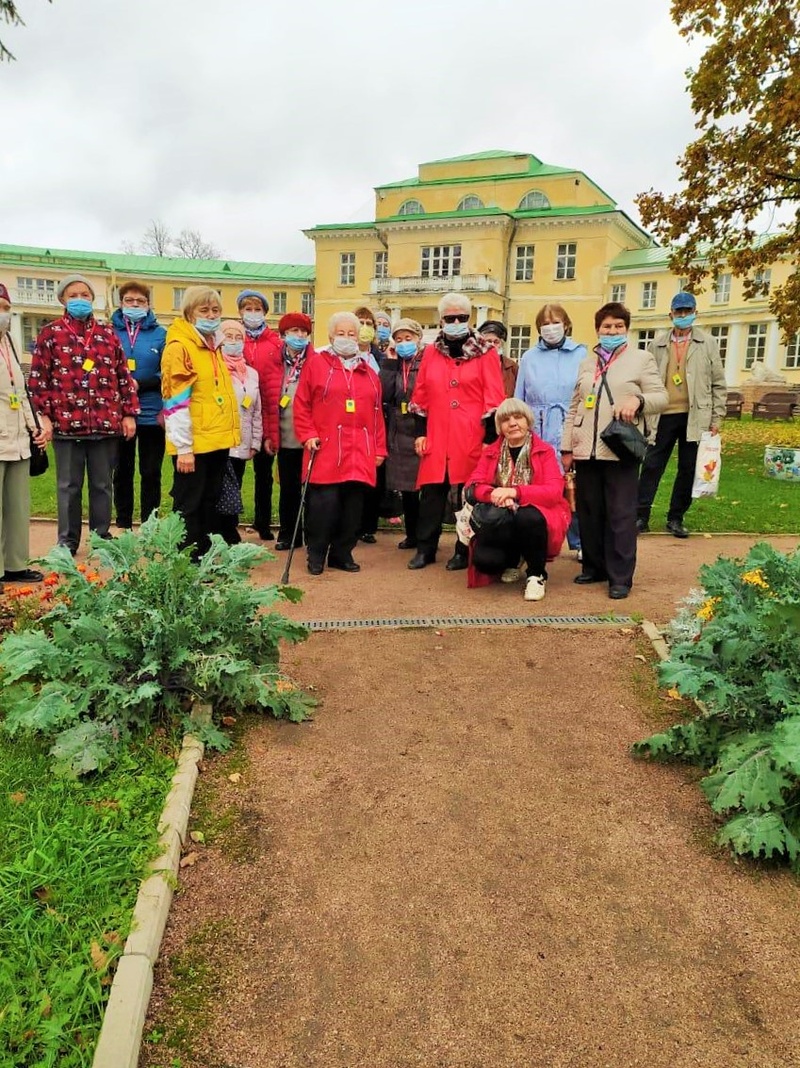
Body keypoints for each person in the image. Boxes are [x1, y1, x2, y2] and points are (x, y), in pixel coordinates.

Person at [561, 302, 668, 599]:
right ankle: (594, 567)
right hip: (586, 449)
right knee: (590, 511)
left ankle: (620, 576)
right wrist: (567, 446)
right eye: (607, 326)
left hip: (619, 447)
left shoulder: (641, 359)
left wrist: (638, 401)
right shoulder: (586, 362)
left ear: (626, 329)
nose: (612, 331)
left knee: (620, 515)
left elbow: (661, 396)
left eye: (618, 326)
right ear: (598, 330)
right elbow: (574, 406)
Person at [29, 274, 139, 554]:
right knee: (69, 486)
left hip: (104, 423)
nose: (80, 300)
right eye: (74, 295)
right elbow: (39, 378)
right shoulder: (50, 334)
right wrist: (45, 417)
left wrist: (128, 414)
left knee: (102, 485)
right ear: (63, 299)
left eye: (85, 295)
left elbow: (122, 375)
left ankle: (101, 536)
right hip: (66, 425)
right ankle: (67, 540)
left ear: (93, 299)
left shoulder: (107, 334)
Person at [407, 292, 506, 571]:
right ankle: (425, 548)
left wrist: (489, 439)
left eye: (461, 318)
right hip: (437, 432)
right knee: (431, 493)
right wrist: (420, 432)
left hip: (471, 433)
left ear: (470, 318)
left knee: (468, 495)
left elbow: (494, 396)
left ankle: (464, 550)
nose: (456, 322)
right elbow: (421, 395)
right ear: (441, 320)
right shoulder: (430, 352)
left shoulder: (486, 352)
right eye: (450, 318)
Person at [292, 311, 387, 575]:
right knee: (324, 506)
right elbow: (301, 405)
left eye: (352, 334)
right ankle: (317, 552)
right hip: (326, 448)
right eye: (341, 333)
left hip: (360, 451)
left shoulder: (369, 372)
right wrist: (307, 433)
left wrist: (379, 448)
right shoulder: (316, 364)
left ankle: (342, 553)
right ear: (331, 335)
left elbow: (378, 414)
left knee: (353, 510)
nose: (347, 338)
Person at [637, 292, 727, 537]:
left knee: (688, 468)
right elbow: (645, 381)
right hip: (662, 414)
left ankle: (676, 517)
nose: (683, 315)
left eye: (688, 311)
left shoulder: (707, 344)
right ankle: (640, 515)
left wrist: (716, 418)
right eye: (679, 312)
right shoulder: (657, 345)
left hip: (695, 416)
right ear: (671, 314)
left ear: (696, 313)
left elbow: (718, 384)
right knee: (652, 465)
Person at [464, 398, 571, 601]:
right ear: (499, 427)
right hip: (502, 516)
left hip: (536, 516)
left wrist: (515, 492)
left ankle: (536, 574)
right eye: (505, 420)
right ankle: (514, 559)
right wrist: (493, 494)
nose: (512, 423)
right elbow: (472, 486)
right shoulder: (491, 452)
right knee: (486, 561)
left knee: (527, 516)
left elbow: (554, 491)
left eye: (518, 417)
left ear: (528, 421)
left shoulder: (544, 451)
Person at [161, 286, 240, 560]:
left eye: (215, 310)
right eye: (204, 310)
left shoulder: (213, 345)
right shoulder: (180, 348)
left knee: (210, 501)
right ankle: (185, 559)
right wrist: (184, 448)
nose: (211, 315)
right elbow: (176, 403)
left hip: (216, 440)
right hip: (193, 444)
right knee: (189, 504)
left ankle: (204, 555)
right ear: (190, 313)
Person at [515, 304, 587, 559]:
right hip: (539, 426)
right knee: (540, 484)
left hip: (570, 424)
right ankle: (541, 540)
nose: (550, 328)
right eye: (545, 324)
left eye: (555, 322)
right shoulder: (529, 357)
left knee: (573, 484)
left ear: (566, 324)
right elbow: (520, 396)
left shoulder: (581, 354)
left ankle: (579, 542)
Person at [0, 283, 47, 586]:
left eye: (5, 308)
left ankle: (16, 565)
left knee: (17, 508)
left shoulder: (9, 343)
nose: (2, 315)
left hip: (17, 441)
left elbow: (20, 392)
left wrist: (35, 428)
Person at [110, 280, 167, 529]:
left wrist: (142, 382)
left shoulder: (161, 334)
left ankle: (149, 522)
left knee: (150, 472)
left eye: (140, 301)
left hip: (151, 412)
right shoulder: (109, 332)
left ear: (148, 304)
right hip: (119, 412)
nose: (135, 305)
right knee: (122, 471)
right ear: (121, 304)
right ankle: (123, 521)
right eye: (129, 301)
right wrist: (123, 384)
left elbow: (168, 371)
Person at [214, 319, 261, 545]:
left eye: (238, 337)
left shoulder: (251, 373)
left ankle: (229, 527)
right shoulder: (216, 367)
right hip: (221, 439)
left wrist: (256, 441)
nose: (233, 342)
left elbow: (256, 409)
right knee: (222, 487)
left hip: (243, 439)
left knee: (236, 486)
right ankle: (223, 531)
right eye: (228, 336)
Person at [239, 289, 281, 541]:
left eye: (257, 309)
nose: (252, 314)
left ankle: (263, 522)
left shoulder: (275, 343)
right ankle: (228, 522)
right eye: (248, 309)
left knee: (263, 476)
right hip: (240, 417)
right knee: (232, 474)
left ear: (265, 313)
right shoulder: (233, 338)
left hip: (266, 416)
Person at [379, 318, 425, 549]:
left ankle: (426, 536)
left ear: (418, 339)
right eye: (399, 339)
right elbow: (384, 395)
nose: (404, 343)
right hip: (399, 430)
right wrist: (389, 363)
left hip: (421, 427)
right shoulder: (394, 364)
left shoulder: (426, 362)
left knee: (425, 489)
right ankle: (412, 536)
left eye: (408, 338)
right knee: (406, 489)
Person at [273, 311, 314, 550]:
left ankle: (312, 533)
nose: (299, 336)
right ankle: (289, 534)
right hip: (284, 436)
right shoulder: (275, 361)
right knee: (288, 490)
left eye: (303, 332)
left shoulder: (316, 361)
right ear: (283, 335)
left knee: (311, 490)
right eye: (294, 331)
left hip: (308, 438)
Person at [354, 306, 384, 543]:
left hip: (377, 423)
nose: (365, 327)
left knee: (374, 476)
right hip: (353, 422)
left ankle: (368, 526)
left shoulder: (380, 358)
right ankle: (350, 524)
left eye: (369, 323)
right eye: (360, 322)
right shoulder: (340, 355)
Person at [477, 320, 518, 397]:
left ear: (501, 344)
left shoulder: (511, 367)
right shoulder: (474, 365)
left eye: (496, 342)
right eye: (488, 341)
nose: (492, 345)